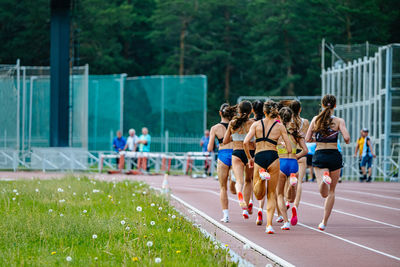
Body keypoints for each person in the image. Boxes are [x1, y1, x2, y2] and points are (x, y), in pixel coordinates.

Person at [244, 100, 292, 234]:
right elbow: (289, 148)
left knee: (258, 194)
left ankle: (260, 179)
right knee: (272, 194)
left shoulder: (256, 124)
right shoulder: (280, 126)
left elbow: (245, 142)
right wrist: (280, 145)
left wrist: (250, 158)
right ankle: (269, 225)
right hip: (273, 157)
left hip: (259, 156)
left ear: (264, 111)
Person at [305, 94, 350, 231]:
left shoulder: (315, 119)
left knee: (323, 193)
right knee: (331, 192)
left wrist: (318, 139)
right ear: (335, 105)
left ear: (322, 105)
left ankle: (325, 178)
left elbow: (307, 139)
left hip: (320, 154)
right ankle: (324, 222)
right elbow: (347, 138)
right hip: (334, 156)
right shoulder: (339, 121)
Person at [275, 107, 308, 230]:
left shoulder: (277, 132)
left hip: (281, 162)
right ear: (291, 117)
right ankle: (291, 184)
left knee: (279, 195)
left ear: (279, 117)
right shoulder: (296, 133)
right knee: (291, 198)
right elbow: (305, 150)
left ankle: (286, 221)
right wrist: (295, 156)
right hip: (293, 163)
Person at [223, 100, 255, 220]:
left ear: (239, 111)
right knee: (248, 181)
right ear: (251, 111)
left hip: (236, 153)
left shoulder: (232, 123)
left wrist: (234, 137)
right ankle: (245, 210)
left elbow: (225, 141)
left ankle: (239, 194)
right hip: (249, 154)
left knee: (239, 181)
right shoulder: (253, 123)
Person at [208, 103, 236, 223]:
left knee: (222, 187)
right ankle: (233, 180)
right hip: (235, 154)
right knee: (238, 184)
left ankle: (226, 215)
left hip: (223, 155)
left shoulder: (215, 128)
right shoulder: (236, 126)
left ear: (220, 113)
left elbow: (209, 148)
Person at [252, 100, 266, 225]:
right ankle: (261, 209)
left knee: (251, 182)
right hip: (268, 153)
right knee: (266, 186)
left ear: (253, 110)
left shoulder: (252, 123)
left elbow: (248, 140)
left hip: (254, 154)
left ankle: (251, 202)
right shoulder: (267, 123)